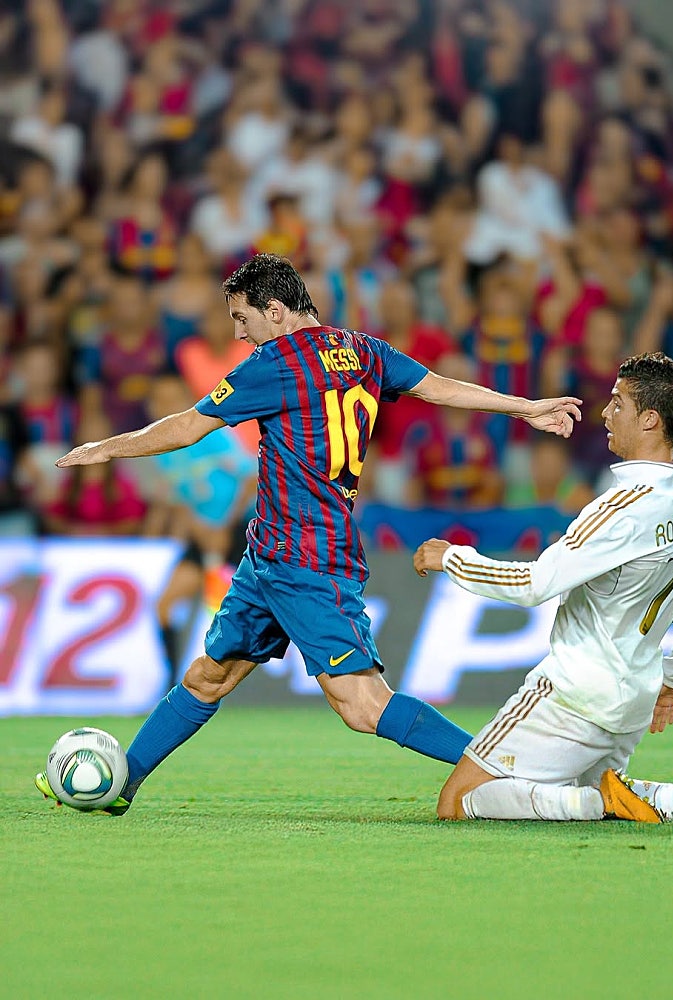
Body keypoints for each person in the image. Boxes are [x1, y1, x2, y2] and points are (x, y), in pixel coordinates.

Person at [35, 253, 582, 815]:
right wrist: (524, 407)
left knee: (363, 705)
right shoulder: (364, 350)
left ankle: (506, 770)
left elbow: (188, 427)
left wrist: (106, 448)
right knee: (209, 676)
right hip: (268, 555)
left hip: (308, 558)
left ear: (275, 310)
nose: (239, 333)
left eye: (243, 318)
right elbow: (437, 387)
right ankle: (122, 784)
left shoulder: (272, 364)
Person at [413, 352, 673, 824]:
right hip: (634, 701)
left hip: (575, 693)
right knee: (592, 782)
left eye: (618, 403)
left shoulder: (619, 510)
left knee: (460, 801)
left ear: (650, 420)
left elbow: (534, 585)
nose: (606, 413)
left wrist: (452, 558)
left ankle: (595, 804)